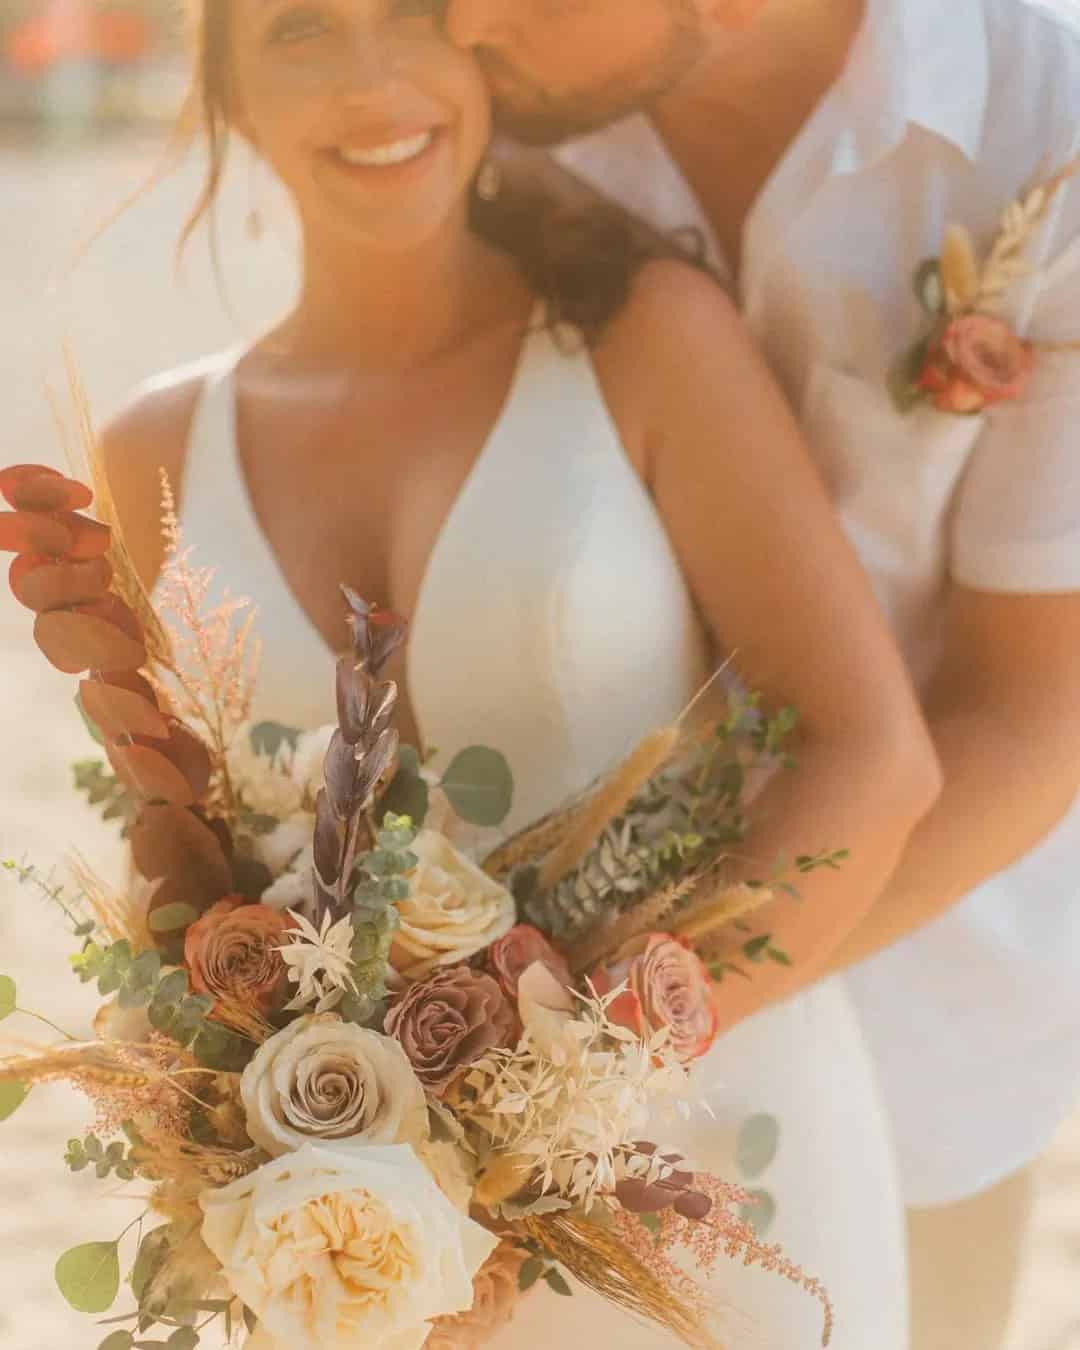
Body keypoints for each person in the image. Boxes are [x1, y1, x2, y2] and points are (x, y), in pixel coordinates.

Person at [101, 1, 940, 1344]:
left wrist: (562, 1091)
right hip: (357, 1249)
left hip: (713, 1177)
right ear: (225, 93)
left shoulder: (644, 337)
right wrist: (223, 1111)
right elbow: (178, 864)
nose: (375, 82)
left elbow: (876, 755)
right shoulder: (149, 453)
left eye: (414, 14)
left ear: (483, 49)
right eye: (300, 31)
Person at [441, 0, 1080, 1343]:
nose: (461, 19)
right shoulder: (498, 107)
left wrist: (601, 1058)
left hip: (923, 995)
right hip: (513, 972)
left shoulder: (1050, 119)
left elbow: (1029, 713)